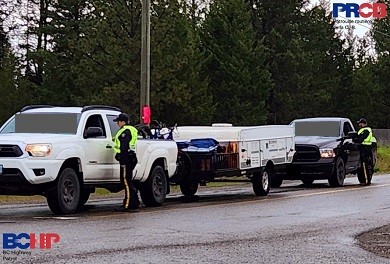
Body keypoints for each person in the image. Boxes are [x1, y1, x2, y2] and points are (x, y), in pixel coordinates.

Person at [113, 113, 140, 211]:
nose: (117, 123)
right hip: (131, 157)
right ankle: (135, 202)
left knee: (126, 181)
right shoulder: (131, 130)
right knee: (128, 181)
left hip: (126, 159)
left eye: (118, 121)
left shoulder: (125, 132)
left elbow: (124, 147)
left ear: (123, 122)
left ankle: (128, 204)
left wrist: (122, 159)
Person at [354, 118, 375, 185]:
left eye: (360, 123)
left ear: (363, 123)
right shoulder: (362, 130)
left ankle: (367, 180)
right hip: (363, 147)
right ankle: (364, 180)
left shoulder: (366, 130)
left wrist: (355, 139)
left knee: (364, 165)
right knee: (362, 165)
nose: (359, 124)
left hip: (365, 148)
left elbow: (360, 139)